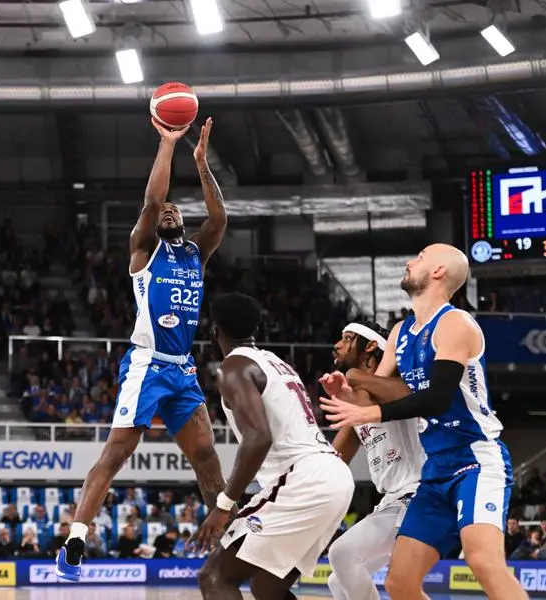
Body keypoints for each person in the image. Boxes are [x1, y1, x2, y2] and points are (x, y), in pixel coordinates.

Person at [57, 117, 228, 581]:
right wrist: (168, 145)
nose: (170, 211)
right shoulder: (143, 250)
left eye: (177, 211)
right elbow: (153, 199)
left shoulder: (196, 253)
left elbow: (220, 218)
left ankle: (226, 532)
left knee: (207, 455)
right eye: (165, 212)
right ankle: (75, 541)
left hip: (183, 368)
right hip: (147, 364)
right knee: (116, 454)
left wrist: (201, 162)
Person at [319, 244, 527, 600]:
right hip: (435, 472)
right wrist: (348, 391)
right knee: (400, 582)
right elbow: (376, 393)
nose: (408, 261)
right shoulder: (401, 332)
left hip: (475, 458)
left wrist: (368, 410)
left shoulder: (455, 323)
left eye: (418, 257)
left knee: (483, 562)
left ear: (438, 272)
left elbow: (437, 398)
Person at [193, 293, 355, 600]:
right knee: (268, 588)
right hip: (334, 477)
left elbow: (258, 438)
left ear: (215, 331)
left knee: (215, 577)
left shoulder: (233, 367)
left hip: (305, 479)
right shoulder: (276, 362)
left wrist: (223, 505)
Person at [321, 322, 424, 600]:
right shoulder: (358, 399)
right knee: (337, 581)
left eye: (347, 339)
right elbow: (335, 461)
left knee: (342, 554)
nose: (338, 345)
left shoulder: (398, 385)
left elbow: (404, 397)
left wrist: (353, 378)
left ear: (370, 347)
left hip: (418, 497)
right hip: (392, 501)